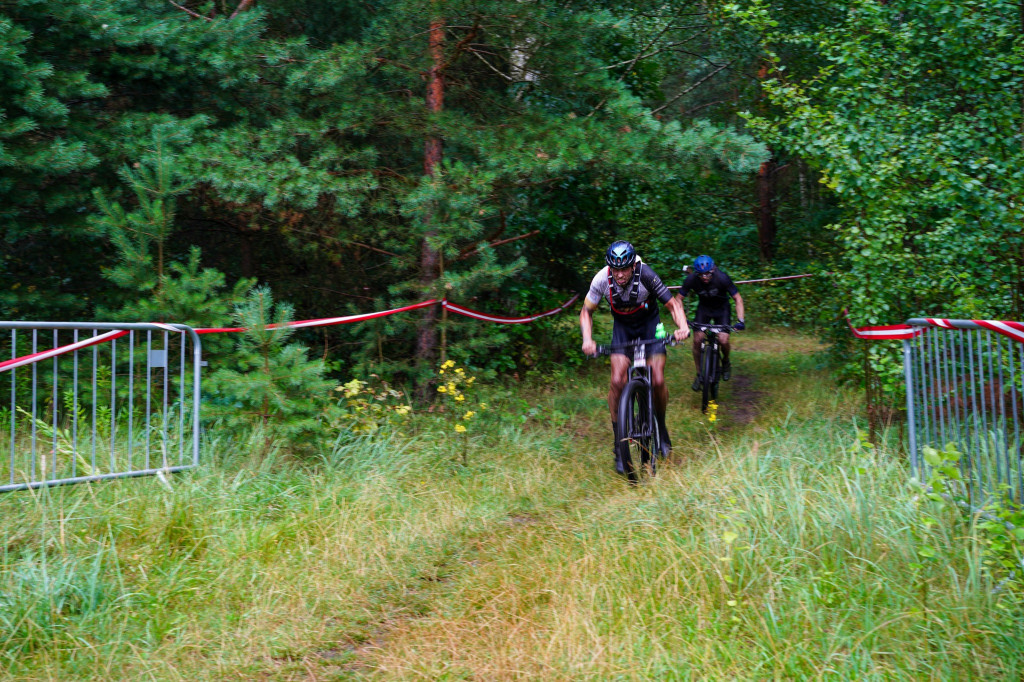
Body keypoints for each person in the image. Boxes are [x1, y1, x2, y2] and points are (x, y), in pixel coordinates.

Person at [580, 240, 690, 471]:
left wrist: (682, 327)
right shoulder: (601, 279)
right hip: (623, 330)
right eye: (615, 269)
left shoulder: (646, 274)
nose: (620, 275)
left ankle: (660, 427)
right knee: (617, 380)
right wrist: (587, 340)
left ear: (632, 265)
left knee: (658, 379)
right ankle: (618, 443)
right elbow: (585, 312)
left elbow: (672, 304)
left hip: (650, 327)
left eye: (624, 269)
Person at [673, 255, 745, 391]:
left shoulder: (722, 278)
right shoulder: (692, 279)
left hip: (722, 309)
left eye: (708, 274)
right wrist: (681, 320)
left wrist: (740, 320)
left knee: (723, 340)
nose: (705, 277)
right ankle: (700, 374)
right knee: (697, 339)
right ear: (696, 273)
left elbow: (738, 298)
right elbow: (678, 300)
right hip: (704, 309)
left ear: (713, 270)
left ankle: (725, 361)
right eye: (701, 274)